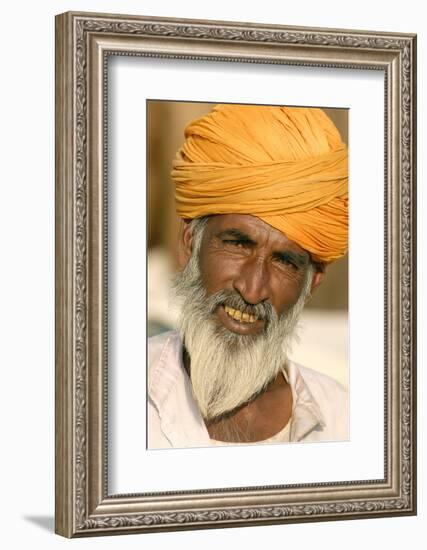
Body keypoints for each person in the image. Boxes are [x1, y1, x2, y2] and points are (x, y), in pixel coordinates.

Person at [148, 104, 349, 449]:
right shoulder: (103, 391)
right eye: (238, 244)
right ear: (189, 242)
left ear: (312, 282)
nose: (253, 290)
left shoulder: (345, 421)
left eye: (285, 262)